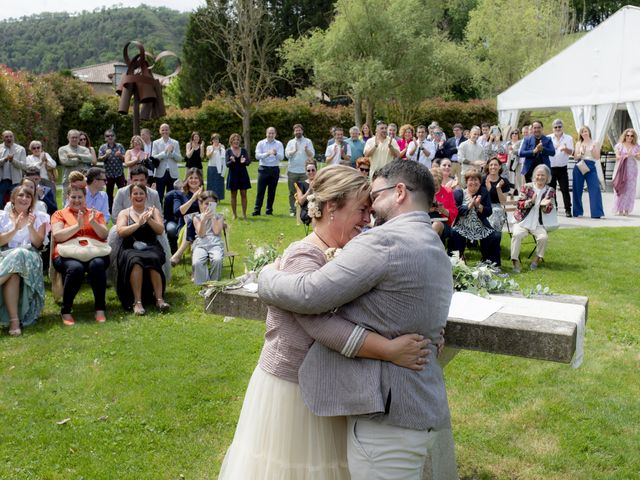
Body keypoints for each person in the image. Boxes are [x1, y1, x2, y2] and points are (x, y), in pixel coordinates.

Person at [222, 164, 437, 479]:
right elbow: (321, 325)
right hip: (294, 390)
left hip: (329, 387)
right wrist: (388, 350)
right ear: (331, 208)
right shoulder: (304, 256)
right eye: (362, 210)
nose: (368, 220)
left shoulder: (349, 253)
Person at [52, 185, 109, 325]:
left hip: (94, 252)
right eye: (73, 197)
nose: (77, 200)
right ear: (67, 198)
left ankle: (100, 309)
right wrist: (77, 226)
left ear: (85, 198)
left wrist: (93, 222)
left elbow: (104, 234)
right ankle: (66, 310)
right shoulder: (59, 214)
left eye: (80, 197)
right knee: (76, 268)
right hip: (66, 254)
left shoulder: (95, 214)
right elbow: (58, 236)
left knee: (98, 265)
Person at [0, 186, 48, 336]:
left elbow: (38, 244)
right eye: (21, 195)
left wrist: (30, 227)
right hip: (5, 256)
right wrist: (14, 229)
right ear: (12, 199)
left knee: (20, 253)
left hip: (30, 257)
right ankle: (14, 322)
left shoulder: (39, 217)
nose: (24, 198)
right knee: (13, 274)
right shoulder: (2, 216)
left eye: (28, 196)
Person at [115, 183, 168, 315]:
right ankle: (137, 302)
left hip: (151, 245)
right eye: (135, 193)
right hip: (130, 247)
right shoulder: (124, 213)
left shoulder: (153, 210)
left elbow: (160, 230)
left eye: (141, 193)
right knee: (135, 261)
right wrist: (138, 224)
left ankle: (159, 299)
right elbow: (121, 231)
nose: (138, 196)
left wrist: (149, 219)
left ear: (146, 196)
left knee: (153, 258)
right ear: (130, 196)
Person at [450, 169, 502, 266]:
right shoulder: (459, 192)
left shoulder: (484, 192)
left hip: (480, 225)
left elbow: (489, 211)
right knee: (454, 232)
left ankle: (490, 262)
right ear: (466, 182)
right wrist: (469, 206)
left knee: (495, 235)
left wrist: (478, 206)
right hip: (463, 225)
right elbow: (456, 210)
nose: (473, 182)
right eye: (471, 180)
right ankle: (458, 260)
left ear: (479, 182)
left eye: (476, 180)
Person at [510, 165, 556, 272]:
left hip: (538, 223)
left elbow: (549, 210)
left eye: (543, 175)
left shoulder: (550, 191)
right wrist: (531, 202)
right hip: (522, 220)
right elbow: (519, 204)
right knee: (516, 235)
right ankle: (515, 261)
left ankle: (537, 259)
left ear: (547, 177)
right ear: (534, 176)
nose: (540, 177)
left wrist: (545, 205)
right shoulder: (527, 187)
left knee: (543, 238)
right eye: (538, 175)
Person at [168, 168, 203, 264]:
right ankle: (195, 271)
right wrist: (192, 199)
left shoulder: (205, 195)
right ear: (186, 179)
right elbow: (177, 213)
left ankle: (178, 255)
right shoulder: (179, 194)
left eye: (196, 178)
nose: (193, 180)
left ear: (200, 180)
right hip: (184, 227)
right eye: (191, 178)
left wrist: (200, 199)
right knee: (190, 223)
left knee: (194, 223)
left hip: (202, 227)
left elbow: (206, 214)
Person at [191, 191, 225, 284]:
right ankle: (204, 283)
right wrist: (203, 220)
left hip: (215, 244)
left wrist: (213, 217)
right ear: (201, 204)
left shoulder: (220, 216)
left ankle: (214, 283)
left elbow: (216, 231)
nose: (208, 206)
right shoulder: (196, 217)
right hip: (201, 244)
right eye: (206, 204)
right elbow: (201, 234)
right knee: (197, 262)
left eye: (212, 204)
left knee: (217, 260)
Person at [572, 126, 604, 218]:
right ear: (580, 134)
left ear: (589, 132)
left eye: (586, 131)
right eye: (582, 132)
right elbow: (575, 157)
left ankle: (597, 213)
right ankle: (577, 212)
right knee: (577, 189)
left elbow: (597, 157)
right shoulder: (578, 143)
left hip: (591, 165)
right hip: (580, 165)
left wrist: (593, 150)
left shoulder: (595, 143)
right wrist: (581, 153)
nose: (584, 133)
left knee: (595, 189)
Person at [285, 124, 315, 216]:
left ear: (302, 131)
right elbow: (286, 155)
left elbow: (312, 155)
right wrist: (294, 150)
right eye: (296, 130)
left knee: (305, 191)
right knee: (292, 192)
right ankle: (292, 210)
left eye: (299, 130)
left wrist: (306, 150)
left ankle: (305, 209)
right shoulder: (290, 142)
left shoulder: (308, 141)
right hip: (292, 171)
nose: (298, 132)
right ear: (294, 132)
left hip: (304, 172)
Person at [253, 127, 284, 216]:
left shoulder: (279, 144)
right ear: (266, 133)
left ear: (275, 134)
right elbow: (257, 156)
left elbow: (281, 157)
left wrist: (275, 153)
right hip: (263, 169)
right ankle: (257, 210)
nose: (270, 135)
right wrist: (267, 153)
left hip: (274, 169)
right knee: (260, 191)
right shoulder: (261, 143)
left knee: (272, 191)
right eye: (269, 133)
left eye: (272, 133)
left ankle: (269, 210)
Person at [547, 119, 574, 217]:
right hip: (551, 167)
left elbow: (571, 152)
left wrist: (565, 148)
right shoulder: (548, 138)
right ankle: (554, 207)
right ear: (553, 128)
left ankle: (568, 209)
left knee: (565, 189)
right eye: (555, 127)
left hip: (562, 167)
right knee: (551, 189)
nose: (557, 128)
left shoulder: (568, 138)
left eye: (559, 127)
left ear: (562, 127)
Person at [152, 123, 182, 204]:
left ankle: (169, 214)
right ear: (160, 131)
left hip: (172, 173)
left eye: (166, 129)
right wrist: (165, 152)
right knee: (159, 195)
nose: (165, 131)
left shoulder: (175, 142)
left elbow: (179, 158)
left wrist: (172, 152)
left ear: (169, 131)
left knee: (171, 195)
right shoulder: (155, 143)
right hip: (160, 173)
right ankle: (159, 212)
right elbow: (154, 157)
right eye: (163, 130)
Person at [97, 129, 126, 212]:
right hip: (108, 174)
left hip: (119, 173)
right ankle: (110, 210)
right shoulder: (103, 147)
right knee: (109, 193)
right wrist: (106, 155)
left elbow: (125, 158)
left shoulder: (119, 146)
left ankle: (123, 208)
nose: (110, 137)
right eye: (107, 136)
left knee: (122, 191)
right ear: (105, 138)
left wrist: (120, 155)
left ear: (115, 137)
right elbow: (99, 158)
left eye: (112, 135)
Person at [612, 128, 639, 216]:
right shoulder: (619, 145)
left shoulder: (636, 146)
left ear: (633, 137)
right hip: (621, 169)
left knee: (630, 189)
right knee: (620, 187)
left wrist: (633, 155)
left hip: (632, 170)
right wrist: (623, 155)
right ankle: (619, 208)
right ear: (625, 136)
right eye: (628, 135)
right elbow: (617, 156)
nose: (629, 137)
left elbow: (639, 158)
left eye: (631, 136)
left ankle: (626, 209)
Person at [482, 157, 512, 232]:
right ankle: (492, 238)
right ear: (488, 167)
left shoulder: (504, 181)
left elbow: (503, 201)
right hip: (483, 207)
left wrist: (498, 188)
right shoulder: (482, 180)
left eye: (495, 165)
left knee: (495, 212)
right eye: (491, 165)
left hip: (498, 207)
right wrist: (488, 189)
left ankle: (492, 238)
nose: (493, 167)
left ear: (499, 167)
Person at [226, 133, 251, 220]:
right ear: (231, 141)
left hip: (243, 175)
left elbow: (248, 162)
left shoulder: (243, 150)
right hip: (233, 175)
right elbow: (227, 164)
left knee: (244, 194)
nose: (236, 141)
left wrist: (244, 161)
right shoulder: (228, 151)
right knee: (233, 195)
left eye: (237, 140)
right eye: (234, 140)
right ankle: (234, 214)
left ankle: (244, 214)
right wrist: (231, 161)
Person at [0, 131, 28, 208]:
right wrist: (4, 159)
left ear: (13, 137)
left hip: (15, 181)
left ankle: (14, 218)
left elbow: (24, 166)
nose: (9, 138)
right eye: (6, 137)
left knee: (15, 203)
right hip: (2, 181)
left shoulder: (20, 149)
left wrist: (13, 160)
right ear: (2, 138)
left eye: (10, 136)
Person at [430, 166, 457, 241]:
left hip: (443, 222)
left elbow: (454, 212)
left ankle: (426, 248)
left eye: (436, 185)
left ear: (440, 182)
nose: (434, 187)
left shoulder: (448, 192)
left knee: (437, 224)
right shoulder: (424, 192)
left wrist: (443, 210)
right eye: (432, 185)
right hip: (427, 219)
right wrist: (429, 209)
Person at [294, 159, 318, 226]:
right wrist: (309, 190)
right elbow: (301, 201)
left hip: (320, 209)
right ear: (306, 172)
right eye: (308, 170)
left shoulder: (321, 183)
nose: (311, 172)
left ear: (316, 170)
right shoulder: (300, 184)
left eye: (313, 170)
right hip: (307, 211)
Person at [205, 133, 226, 201]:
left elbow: (223, 156)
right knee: (211, 183)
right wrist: (213, 149)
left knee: (219, 183)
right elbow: (208, 156)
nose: (216, 140)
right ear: (212, 140)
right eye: (215, 139)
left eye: (217, 139)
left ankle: (218, 198)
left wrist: (220, 149)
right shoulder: (209, 147)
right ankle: (210, 198)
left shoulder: (222, 146)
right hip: (211, 167)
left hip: (220, 167)